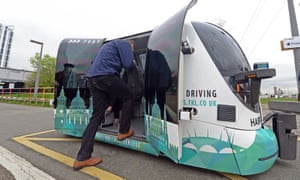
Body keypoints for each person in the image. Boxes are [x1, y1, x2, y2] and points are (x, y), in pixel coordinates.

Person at [73, 39, 135, 170]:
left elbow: (93, 63)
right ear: (131, 45)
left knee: (96, 117)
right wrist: (131, 57)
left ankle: (82, 158)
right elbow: (128, 64)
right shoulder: (124, 44)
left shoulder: (107, 47)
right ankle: (123, 131)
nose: (132, 51)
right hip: (106, 76)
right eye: (132, 49)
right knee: (129, 96)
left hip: (93, 79)